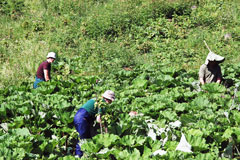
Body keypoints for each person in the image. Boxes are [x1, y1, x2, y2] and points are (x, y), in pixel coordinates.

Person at [73, 90, 115, 158]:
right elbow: (98, 120)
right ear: (108, 100)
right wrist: (104, 128)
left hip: (79, 117)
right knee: (82, 140)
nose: (110, 103)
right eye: (110, 101)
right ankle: (78, 157)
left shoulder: (95, 100)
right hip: (83, 119)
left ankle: (84, 156)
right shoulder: (102, 104)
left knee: (87, 139)